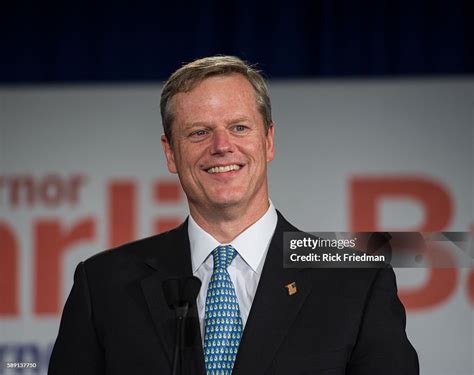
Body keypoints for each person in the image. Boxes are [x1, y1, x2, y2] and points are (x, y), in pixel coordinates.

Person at [49, 55, 419, 375]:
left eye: (239, 127)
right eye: (199, 132)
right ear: (171, 154)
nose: (222, 146)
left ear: (269, 140)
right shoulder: (103, 286)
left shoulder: (356, 280)